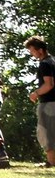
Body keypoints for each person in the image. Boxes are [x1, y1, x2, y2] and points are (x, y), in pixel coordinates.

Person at [25, 36, 55, 167]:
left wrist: (35, 94)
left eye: (32, 50)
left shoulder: (45, 64)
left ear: (40, 50)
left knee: (45, 132)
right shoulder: (53, 61)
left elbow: (49, 84)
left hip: (49, 103)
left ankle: (51, 162)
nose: (32, 54)